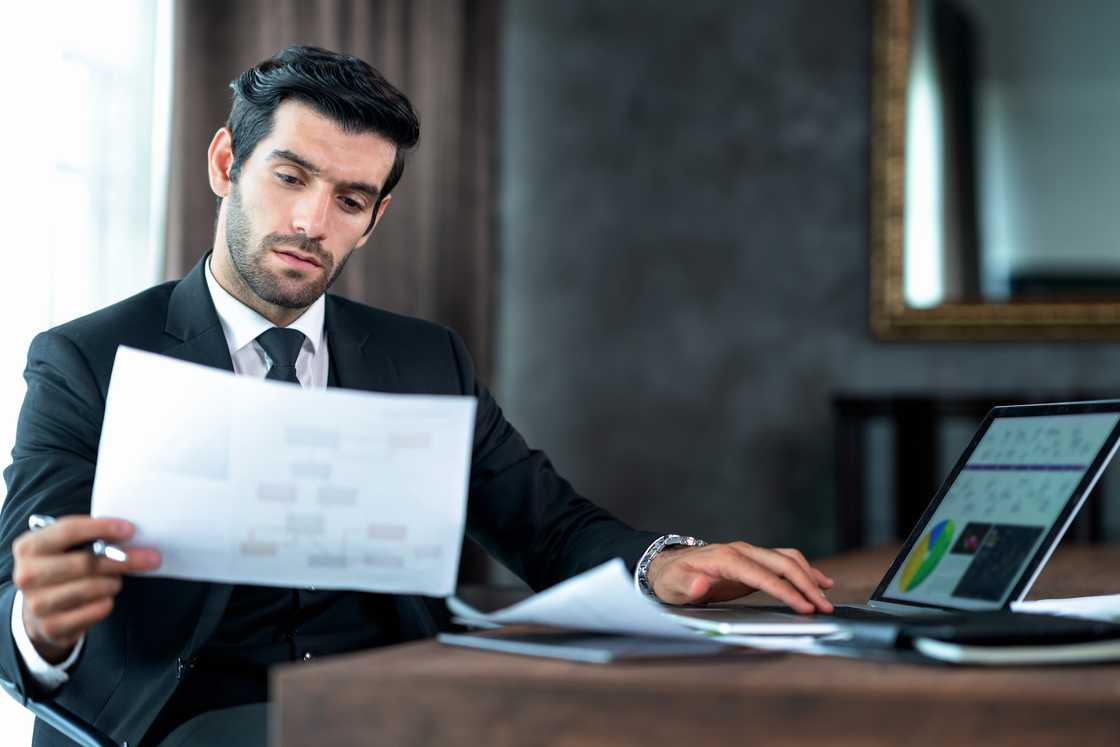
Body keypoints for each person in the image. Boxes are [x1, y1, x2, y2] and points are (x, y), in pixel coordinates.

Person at [0, 46, 833, 746]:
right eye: (290, 176)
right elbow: (18, 595)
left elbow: (549, 527)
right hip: (182, 720)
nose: (311, 221)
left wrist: (663, 565)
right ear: (227, 163)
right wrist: (43, 624)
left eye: (350, 199)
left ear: (376, 215)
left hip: (394, 709)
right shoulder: (88, 357)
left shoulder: (423, 357)